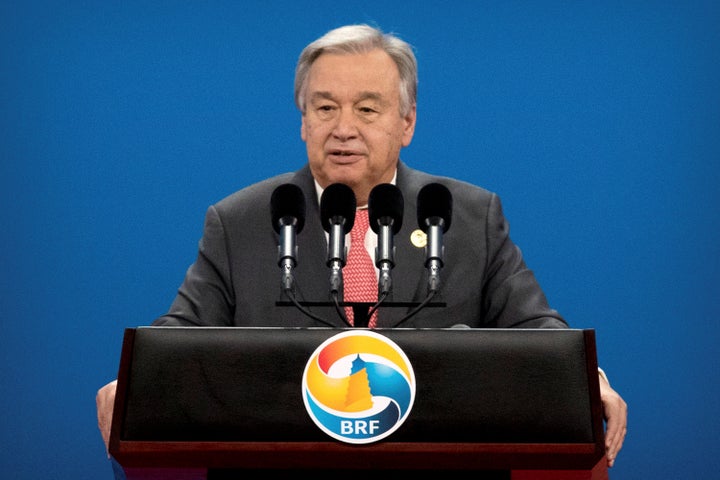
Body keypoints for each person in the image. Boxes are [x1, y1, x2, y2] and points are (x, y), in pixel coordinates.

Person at [97, 23, 627, 472]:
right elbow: (183, 335)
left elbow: (536, 331)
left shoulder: (468, 216)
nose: (343, 128)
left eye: (367, 109)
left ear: (407, 122)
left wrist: (589, 382)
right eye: (325, 107)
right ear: (303, 122)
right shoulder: (241, 221)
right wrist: (136, 379)